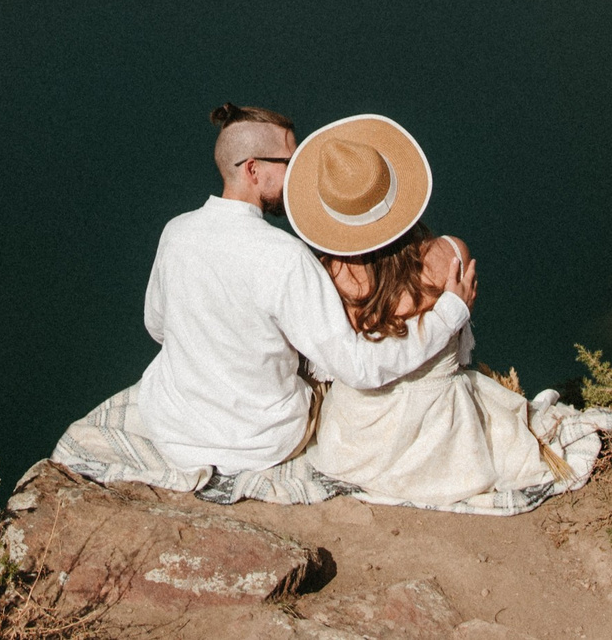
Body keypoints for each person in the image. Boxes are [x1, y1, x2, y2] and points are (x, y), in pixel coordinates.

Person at [289, 115, 612, 514]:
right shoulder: (449, 256)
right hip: (443, 435)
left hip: (357, 442)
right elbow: (459, 349)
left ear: (331, 215)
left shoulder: (327, 278)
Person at [130, 103, 478, 477]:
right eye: (289, 163)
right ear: (253, 169)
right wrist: (448, 316)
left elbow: (157, 326)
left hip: (173, 429)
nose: (298, 176)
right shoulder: (286, 257)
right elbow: (359, 368)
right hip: (259, 442)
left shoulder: (175, 232)